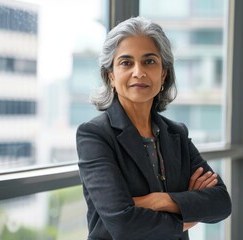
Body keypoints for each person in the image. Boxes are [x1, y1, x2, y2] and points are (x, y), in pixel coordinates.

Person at [76, 16, 232, 240]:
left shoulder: (177, 134)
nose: (138, 72)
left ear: (163, 73)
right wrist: (188, 210)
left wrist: (160, 200)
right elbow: (123, 225)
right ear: (111, 76)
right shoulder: (94, 135)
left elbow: (221, 202)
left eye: (149, 61)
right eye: (126, 63)